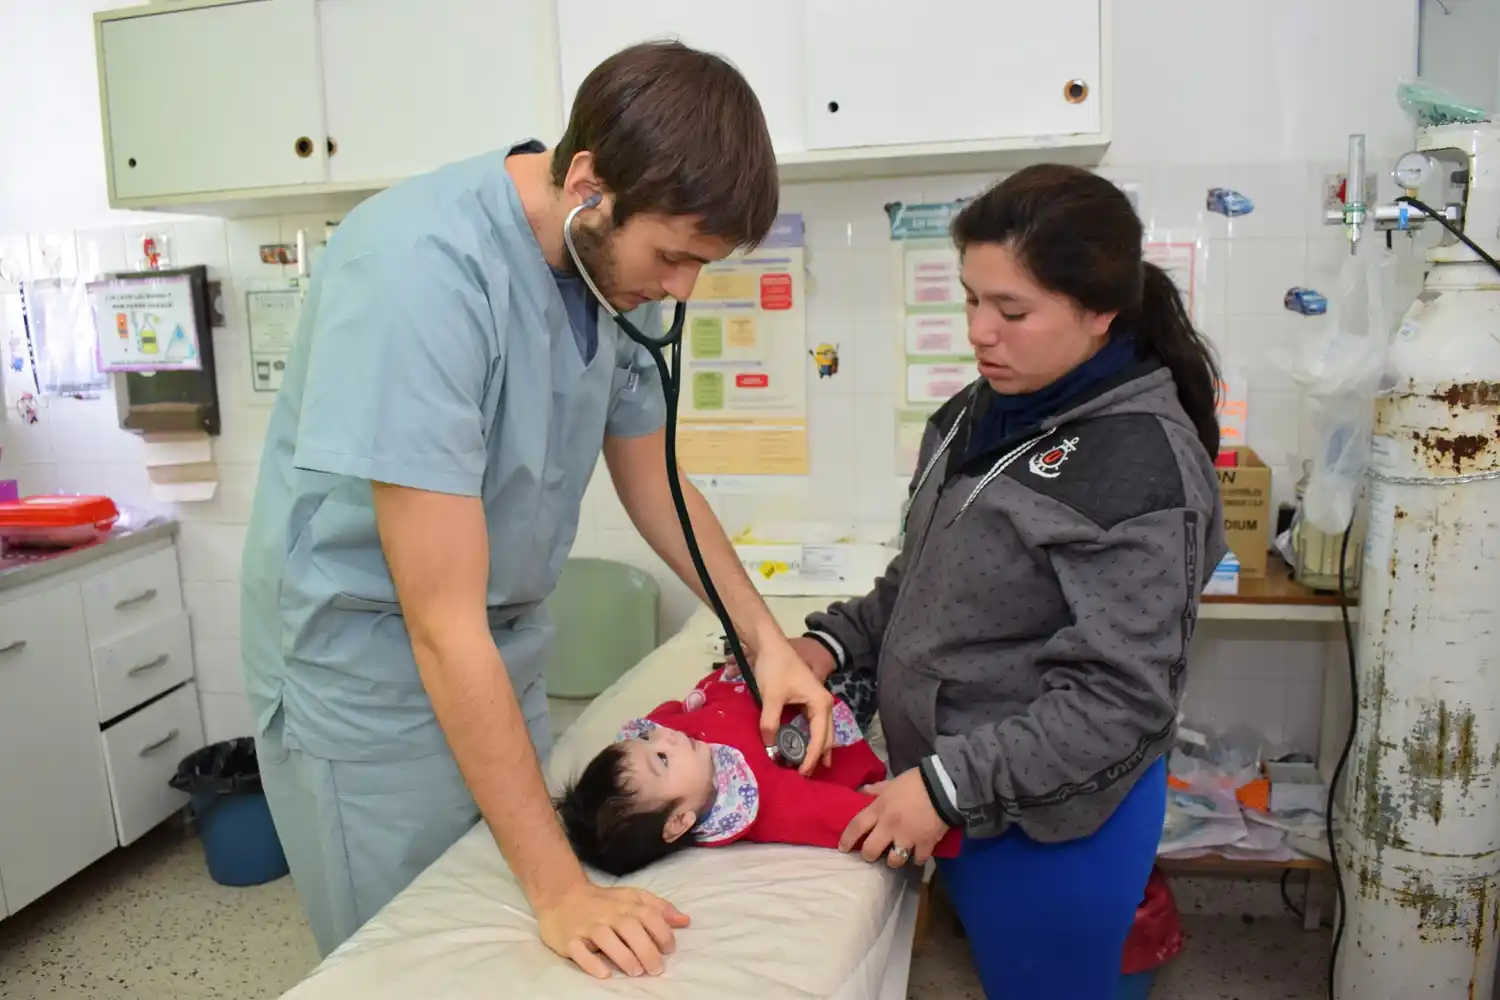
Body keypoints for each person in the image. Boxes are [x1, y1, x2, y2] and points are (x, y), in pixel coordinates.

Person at [239, 41, 837, 982]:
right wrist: (563, 891)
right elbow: (440, 624)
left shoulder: (606, 274)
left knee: (509, 936)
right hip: (370, 671)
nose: (683, 288)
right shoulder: (420, 272)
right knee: (420, 958)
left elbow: (659, 484)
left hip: (496, 649)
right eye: (675, 256)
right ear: (590, 185)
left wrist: (765, 642)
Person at [785, 164, 1226, 998]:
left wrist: (948, 789)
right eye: (970, 300)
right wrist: (829, 643)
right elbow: (923, 585)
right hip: (954, 798)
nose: (980, 333)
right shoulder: (972, 414)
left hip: (1054, 828)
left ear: (1100, 314)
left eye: (1012, 311)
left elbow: (1120, 701)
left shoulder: (1141, 469)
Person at [555, 664, 962, 876]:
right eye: (660, 758)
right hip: (824, 708)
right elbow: (833, 814)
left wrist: (728, 674)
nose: (665, 738)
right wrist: (936, 816)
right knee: (880, 670)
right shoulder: (757, 799)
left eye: (646, 740)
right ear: (679, 821)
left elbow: (679, 709)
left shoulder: (675, 743)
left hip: (772, 678)